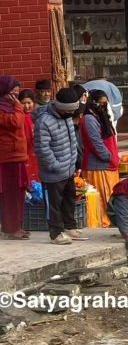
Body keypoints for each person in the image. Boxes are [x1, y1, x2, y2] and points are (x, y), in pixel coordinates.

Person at [34, 87, 82, 245]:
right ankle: (55, 233)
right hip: (53, 172)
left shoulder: (66, 117)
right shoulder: (44, 121)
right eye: (70, 110)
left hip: (68, 169)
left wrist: (73, 161)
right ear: (62, 108)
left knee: (68, 199)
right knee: (54, 204)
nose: (72, 114)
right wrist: (55, 165)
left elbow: (72, 141)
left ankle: (69, 226)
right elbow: (42, 149)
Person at [80, 90, 120, 224]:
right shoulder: (89, 119)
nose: (102, 105)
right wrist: (108, 156)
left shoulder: (101, 116)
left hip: (109, 164)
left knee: (110, 198)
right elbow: (95, 142)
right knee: (102, 201)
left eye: (104, 103)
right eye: (100, 102)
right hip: (98, 166)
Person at [0, 77, 30, 240]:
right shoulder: (5, 109)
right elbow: (16, 123)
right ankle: (10, 229)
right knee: (10, 195)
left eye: (17, 93)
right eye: (13, 93)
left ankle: (16, 226)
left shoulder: (12, 107)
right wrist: (18, 107)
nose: (15, 96)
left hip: (18, 156)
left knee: (19, 193)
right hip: (7, 158)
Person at [17, 89, 39, 181]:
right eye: (23, 103)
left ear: (33, 103)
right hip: (26, 151)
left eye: (29, 103)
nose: (26, 106)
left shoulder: (33, 116)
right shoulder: (22, 117)